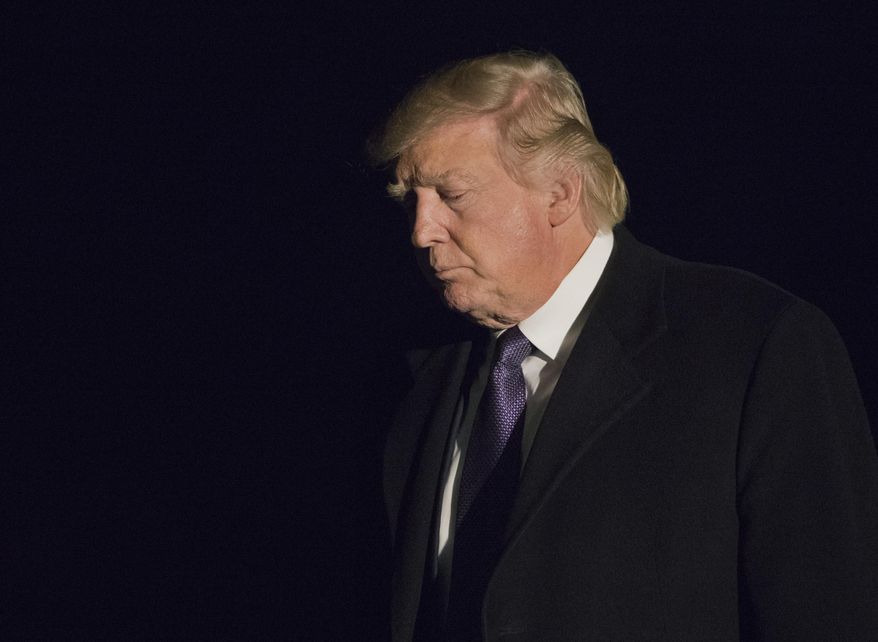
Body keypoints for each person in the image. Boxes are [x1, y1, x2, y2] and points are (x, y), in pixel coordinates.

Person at [369, 51, 878, 641]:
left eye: (451, 194)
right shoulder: (419, 372)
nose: (421, 230)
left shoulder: (757, 347)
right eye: (411, 200)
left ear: (560, 193)